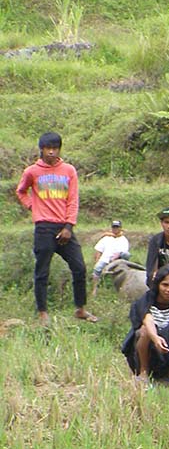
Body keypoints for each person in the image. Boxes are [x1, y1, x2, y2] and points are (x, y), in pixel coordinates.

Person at [15, 131, 96, 325]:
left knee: (79, 267)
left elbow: (73, 199)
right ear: (41, 149)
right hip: (43, 227)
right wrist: (32, 207)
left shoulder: (68, 170)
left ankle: (80, 308)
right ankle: (42, 311)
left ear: (59, 149)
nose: (51, 152)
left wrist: (69, 226)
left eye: (54, 148)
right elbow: (21, 191)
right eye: (47, 148)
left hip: (64, 226)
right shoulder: (32, 171)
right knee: (42, 270)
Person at [121, 264, 169, 389]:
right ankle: (144, 372)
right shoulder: (147, 299)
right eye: (165, 285)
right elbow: (147, 319)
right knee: (144, 331)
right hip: (148, 347)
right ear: (158, 285)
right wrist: (156, 338)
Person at [92, 220, 131, 297]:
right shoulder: (106, 238)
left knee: (126, 254)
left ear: (120, 228)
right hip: (105, 259)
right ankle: (94, 289)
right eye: (114, 227)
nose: (115, 229)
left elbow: (124, 251)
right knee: (97, 269)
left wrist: (116, 257)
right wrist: (97, 261)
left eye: (117, 227)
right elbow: (98, 250)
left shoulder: (123, 239)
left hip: (117, 259)